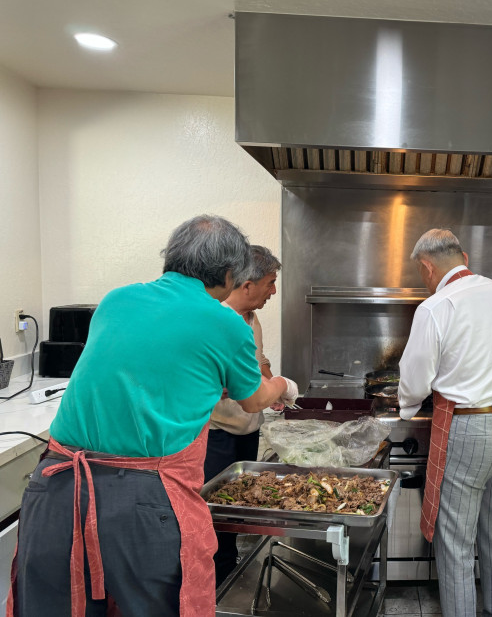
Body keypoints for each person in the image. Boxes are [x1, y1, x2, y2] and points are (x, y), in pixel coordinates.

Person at [8, 215, 298, 617]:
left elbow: (139, 368)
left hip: (56, 489)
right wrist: (283, 385)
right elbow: (254, 400)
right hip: (142, 500)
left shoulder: (116, 300)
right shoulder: (224, 322)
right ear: (230, 274)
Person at [398, 228, 492, 617]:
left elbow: (415, 379)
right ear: (464, 258)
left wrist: (406, 407)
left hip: (471, 429)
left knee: (455, 542)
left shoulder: (436, 306)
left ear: (426, 267)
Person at [203, 244, 293, 585]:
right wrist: (279, 386)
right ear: (247, 285)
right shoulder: (216, 319)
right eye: (270, 283)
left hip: (247, 430)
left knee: (238, 504)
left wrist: (270, 383)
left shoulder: (251, 318)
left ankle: (229, 572)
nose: (274, 291)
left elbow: (258, 359)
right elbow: (216, 381)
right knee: (215, 510)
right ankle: (216, 583)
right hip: (216, 433)